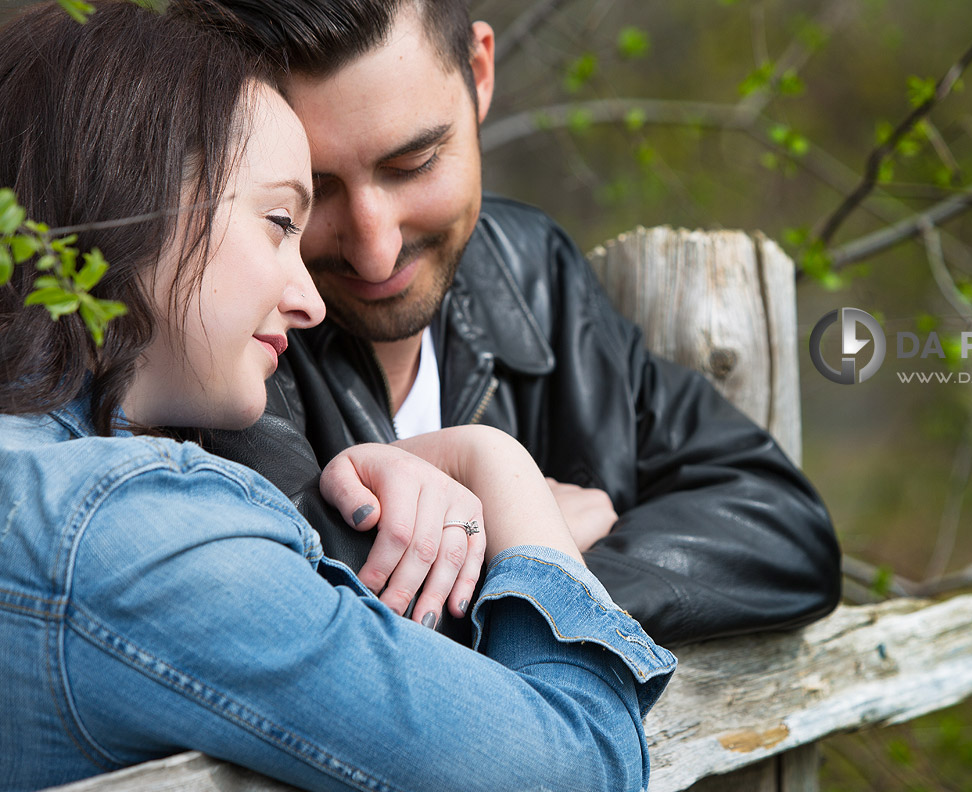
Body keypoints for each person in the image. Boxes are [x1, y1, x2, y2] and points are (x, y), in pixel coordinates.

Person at [0, 3, 674, 792]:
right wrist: (502, 470)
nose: (310, 298)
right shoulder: (121, 536)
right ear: (132, 191)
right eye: (282, 218)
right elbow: (581, 770)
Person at [196, 0, 843, 647]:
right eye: (313, 191)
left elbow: (783, 529)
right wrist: (534, 543)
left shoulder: (531, 275)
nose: (376, 249)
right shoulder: (221, 334)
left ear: (479, 72)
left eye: (413, 164)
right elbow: (301, 619)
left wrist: (540, 572)